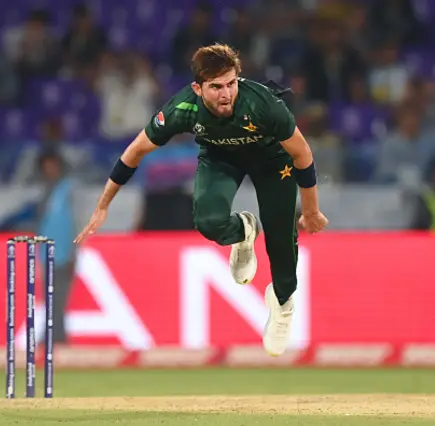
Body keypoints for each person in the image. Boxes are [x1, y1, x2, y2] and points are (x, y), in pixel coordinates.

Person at [74, 44, 328, 357]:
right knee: (208, 222)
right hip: (221, 156)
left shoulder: (262, 104)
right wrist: (103, 206)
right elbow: (135, 152)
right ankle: (244, 230)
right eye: (216, 87)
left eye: (231, 84)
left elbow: (302, 153)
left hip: (273, 159)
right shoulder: (183, 108)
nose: (226, 94)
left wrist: (312, 209)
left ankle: (283, 305)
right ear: (198, 88)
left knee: (280, 236)